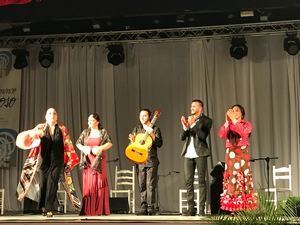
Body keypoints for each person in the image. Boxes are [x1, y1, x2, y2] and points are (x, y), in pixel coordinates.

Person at [16, 108, 80, 217]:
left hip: (57, 161)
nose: (52, 115)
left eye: (54, 113)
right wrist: (35, 134)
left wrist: (69, 162)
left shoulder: (62, 129)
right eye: (50, 113)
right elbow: (27, 140)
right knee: (43, 185)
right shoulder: (40, 127)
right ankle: (44, 207)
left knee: (52, 183)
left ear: (57, 117)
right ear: (46, 116)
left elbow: (68, 145)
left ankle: (49, 209)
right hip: (44, 161)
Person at [218, 104, 257, 212]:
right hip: (230, 154)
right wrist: (227, 121)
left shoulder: (247, 124)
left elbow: (243, 133)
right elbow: (221, 134)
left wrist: (234, 121)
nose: (234, 112)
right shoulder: (229, 125)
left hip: (242, 153)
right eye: (232, 110)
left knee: (242, 177)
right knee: (232, 178)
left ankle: (244, 207)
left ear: (242, 113)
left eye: (236, 110)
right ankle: (233, 208)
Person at [180, 99, 212, 216]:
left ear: (200, 107)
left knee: (201, 181)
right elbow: (182, 138)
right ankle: (191, 209)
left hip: (200, 153)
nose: (191, 108)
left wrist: (193, 124)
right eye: (191, 106)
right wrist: (185, 127)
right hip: (188, 153)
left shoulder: (207, 120)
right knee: (189, 182)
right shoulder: (189, 119)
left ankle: (202, 210)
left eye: (194, 106)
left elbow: (203, 136)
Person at [76, 113, 113, 216]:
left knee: (99, 182)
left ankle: (99, 209)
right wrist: (84, 148)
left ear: (97, 121)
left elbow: (109, 143)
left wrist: (100, 148)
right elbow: (78, 143)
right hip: (88, 161)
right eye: (88, 120)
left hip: (99, 161)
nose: (89, 122)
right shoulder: (85, 132)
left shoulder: (102, 132)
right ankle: (88, 209)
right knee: (90, 183)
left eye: (92, 120)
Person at [128, 109, 163, 215]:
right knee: (141, 184)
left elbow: (159, 143)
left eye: (144, 116)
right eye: (140, 116)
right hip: (139, 160)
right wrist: (132, 141)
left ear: (150, 116)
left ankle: (150, 206)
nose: (142, 118)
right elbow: (134, 146)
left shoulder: (155, 128)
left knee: (150, 184)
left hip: (151, 160)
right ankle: (143, 205)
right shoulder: (137, 128)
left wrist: (151, 133)